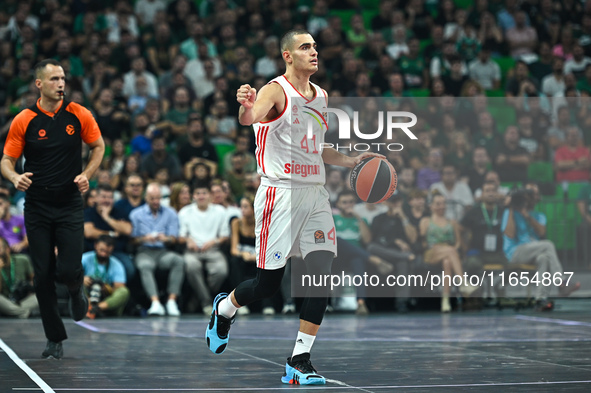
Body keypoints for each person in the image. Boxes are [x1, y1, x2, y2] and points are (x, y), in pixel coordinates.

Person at [205, 29, 382, 385]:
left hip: (315, 195)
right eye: (305, 47)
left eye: (315, 46)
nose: (314, 52)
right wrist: (243, 105)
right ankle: (224, 309)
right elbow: (250, 117)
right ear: (288, 55)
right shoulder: (275, 89)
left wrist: (350, 161)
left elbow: (318, 147)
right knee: (267, 285)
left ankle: (299, 360)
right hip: (279, 194)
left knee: (321, 278)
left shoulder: (321, 96)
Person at [1, 59, 105, 359]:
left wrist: (87, 174)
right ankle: (54, 338)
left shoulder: (78, 113)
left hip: (70, 202)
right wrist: (13, 176)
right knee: (42, 273)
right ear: (40, 84)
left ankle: (75, 289)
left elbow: (99, 146)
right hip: (37, 205)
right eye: (54, 79)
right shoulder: (24, 119)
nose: (61, 84)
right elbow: (6, 160)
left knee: (69, 267)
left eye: (63, 78)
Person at [501, 182, 580, 311]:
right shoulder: (510, 212)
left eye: (535, 194)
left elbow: (541, 232)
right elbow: (509, 234)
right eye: (529, 192)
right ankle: (561, 282)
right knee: (548, 245)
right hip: (515, 252)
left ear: (538, 198)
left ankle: (540, 300)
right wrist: (511, 207)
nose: (532, 196)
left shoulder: (539, 216)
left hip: (533, 252)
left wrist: (527, 216)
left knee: (544, 257)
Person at [130, 183, 184, 316]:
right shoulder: (136, 214)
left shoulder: (170, 213)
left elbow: (174, 238)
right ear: (146, 198)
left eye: (158, 198)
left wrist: (166, 239)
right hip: (144, 251)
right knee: (145, 265)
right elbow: (132, 240)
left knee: (178, 260)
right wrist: (144, 239)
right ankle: (155, 302)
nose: (155, 201)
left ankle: (171, 301)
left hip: (163, 251)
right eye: (152, 198)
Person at [178, 182, 229, 315]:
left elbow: (224, 236)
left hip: (213, 249)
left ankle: (197, 299)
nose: (201, 196)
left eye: (204, 193)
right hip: (192, 250)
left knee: (221, 270)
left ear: (210, 196)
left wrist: (214, 241)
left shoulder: (220, 211)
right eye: (198, 193)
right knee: (191, 266)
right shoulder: (185, 212)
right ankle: (207, 301)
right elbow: (181, 236)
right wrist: (189, 240)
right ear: (193, 196)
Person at [82, 235, 130, 319]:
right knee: (77, 283)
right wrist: (82, 279)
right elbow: (70, 277)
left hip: (105, 298)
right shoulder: (85, 258)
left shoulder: (117, 264)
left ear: (112, 249)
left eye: (107, 252)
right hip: (87, 295)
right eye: (101, 250)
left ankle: (97, 308)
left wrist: (107, 288)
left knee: (124, 291)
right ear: (95, 245)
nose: (103, 254)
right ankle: (88, 307)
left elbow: (120, 287)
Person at [0, 237, 38, 319]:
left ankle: (13, 312)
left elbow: (34, 280)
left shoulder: (22, 260)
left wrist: (30, 287)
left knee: (40, 295)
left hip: (22, 300)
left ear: (7, 249)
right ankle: (22, 313)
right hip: (5, 300)